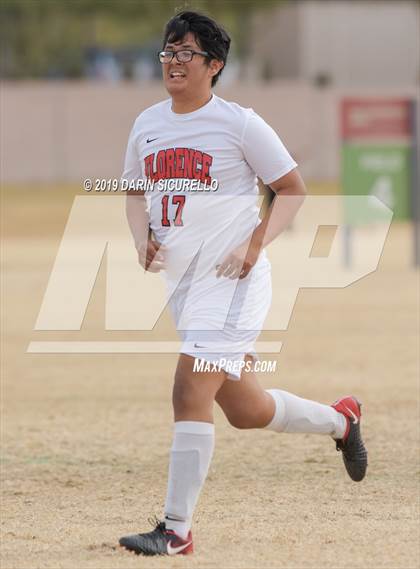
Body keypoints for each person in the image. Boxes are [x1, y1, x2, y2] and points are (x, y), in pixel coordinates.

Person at [119, 10, 367, 557]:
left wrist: (254, 244)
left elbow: (293, 189)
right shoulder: (147, 124)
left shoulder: (240, 123)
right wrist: (142, 239)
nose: (173, 62)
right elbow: (133, 193)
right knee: (246, 411)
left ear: (215, 65)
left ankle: (176, 531)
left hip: (234, 282)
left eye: (186, 53)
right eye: (168, 51)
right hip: (184, 288)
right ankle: (340, 421)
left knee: (188, 388)